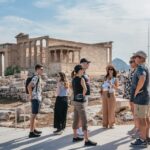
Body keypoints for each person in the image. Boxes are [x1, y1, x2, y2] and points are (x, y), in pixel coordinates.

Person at [72, 65, 97, 146]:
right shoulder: (81, 79)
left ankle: (75, 136)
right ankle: (86, 140)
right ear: (79, 70)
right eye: (82, 70)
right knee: (84, 120)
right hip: (80, 102)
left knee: (76, 118)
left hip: (75, 101)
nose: (83, 71)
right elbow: (85, 89)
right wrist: (82, 96)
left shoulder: (73, 79)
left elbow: (73, 90)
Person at [130, 51, 150, 148]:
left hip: (140, 97)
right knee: (146, 118)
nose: (134, 58)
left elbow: (142, 78)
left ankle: (142, 140)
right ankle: (146, 137)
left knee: (142, 119)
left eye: (136, 56)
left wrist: (136, 92)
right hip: (145, 97)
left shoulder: (141, 68)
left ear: (141, 58)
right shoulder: (145, 67)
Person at [124, 57, 139, 137]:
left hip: (134, 94)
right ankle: (136, 126)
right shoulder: (131, 70)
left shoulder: (138, 71)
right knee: (133, 111)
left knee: (136, 112)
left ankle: (138, 128)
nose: (130, 63)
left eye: (131, 62)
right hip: (130, 93)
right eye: (129, 62)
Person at [28, 64, 43, 138]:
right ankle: (31, 132)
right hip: (35, 98)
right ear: (37, 70)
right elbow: (29, 86)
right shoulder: (36, 77)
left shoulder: (38, 77)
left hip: (37, 98)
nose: (42, 70)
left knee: (35, 114)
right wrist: (31, 96)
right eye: (41, 69)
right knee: (33, 115)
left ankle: (34, 129)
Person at [100, 64, 118, 128]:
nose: (110, 70)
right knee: (104, 109)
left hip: (111, 93)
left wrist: (112, 84)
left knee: (111, 109)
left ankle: (111, 124)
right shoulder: (105, 78)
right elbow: (102, 86)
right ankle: (105, 124)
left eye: (111, 69)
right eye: (109, 69)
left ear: (113, 70)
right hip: (104, 93)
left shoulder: (115, 79)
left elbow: (116, 88)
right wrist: (101, 91)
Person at [77, 58, 91, 136]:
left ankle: (83, 127)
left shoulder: (85, 73)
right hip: (82, 95)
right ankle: (79, 129)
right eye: (87, 63)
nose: (88, 64)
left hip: (86, 95)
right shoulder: (79, 72)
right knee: (81, 113)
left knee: (84, 112)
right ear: (82, 63)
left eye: (88, 63)